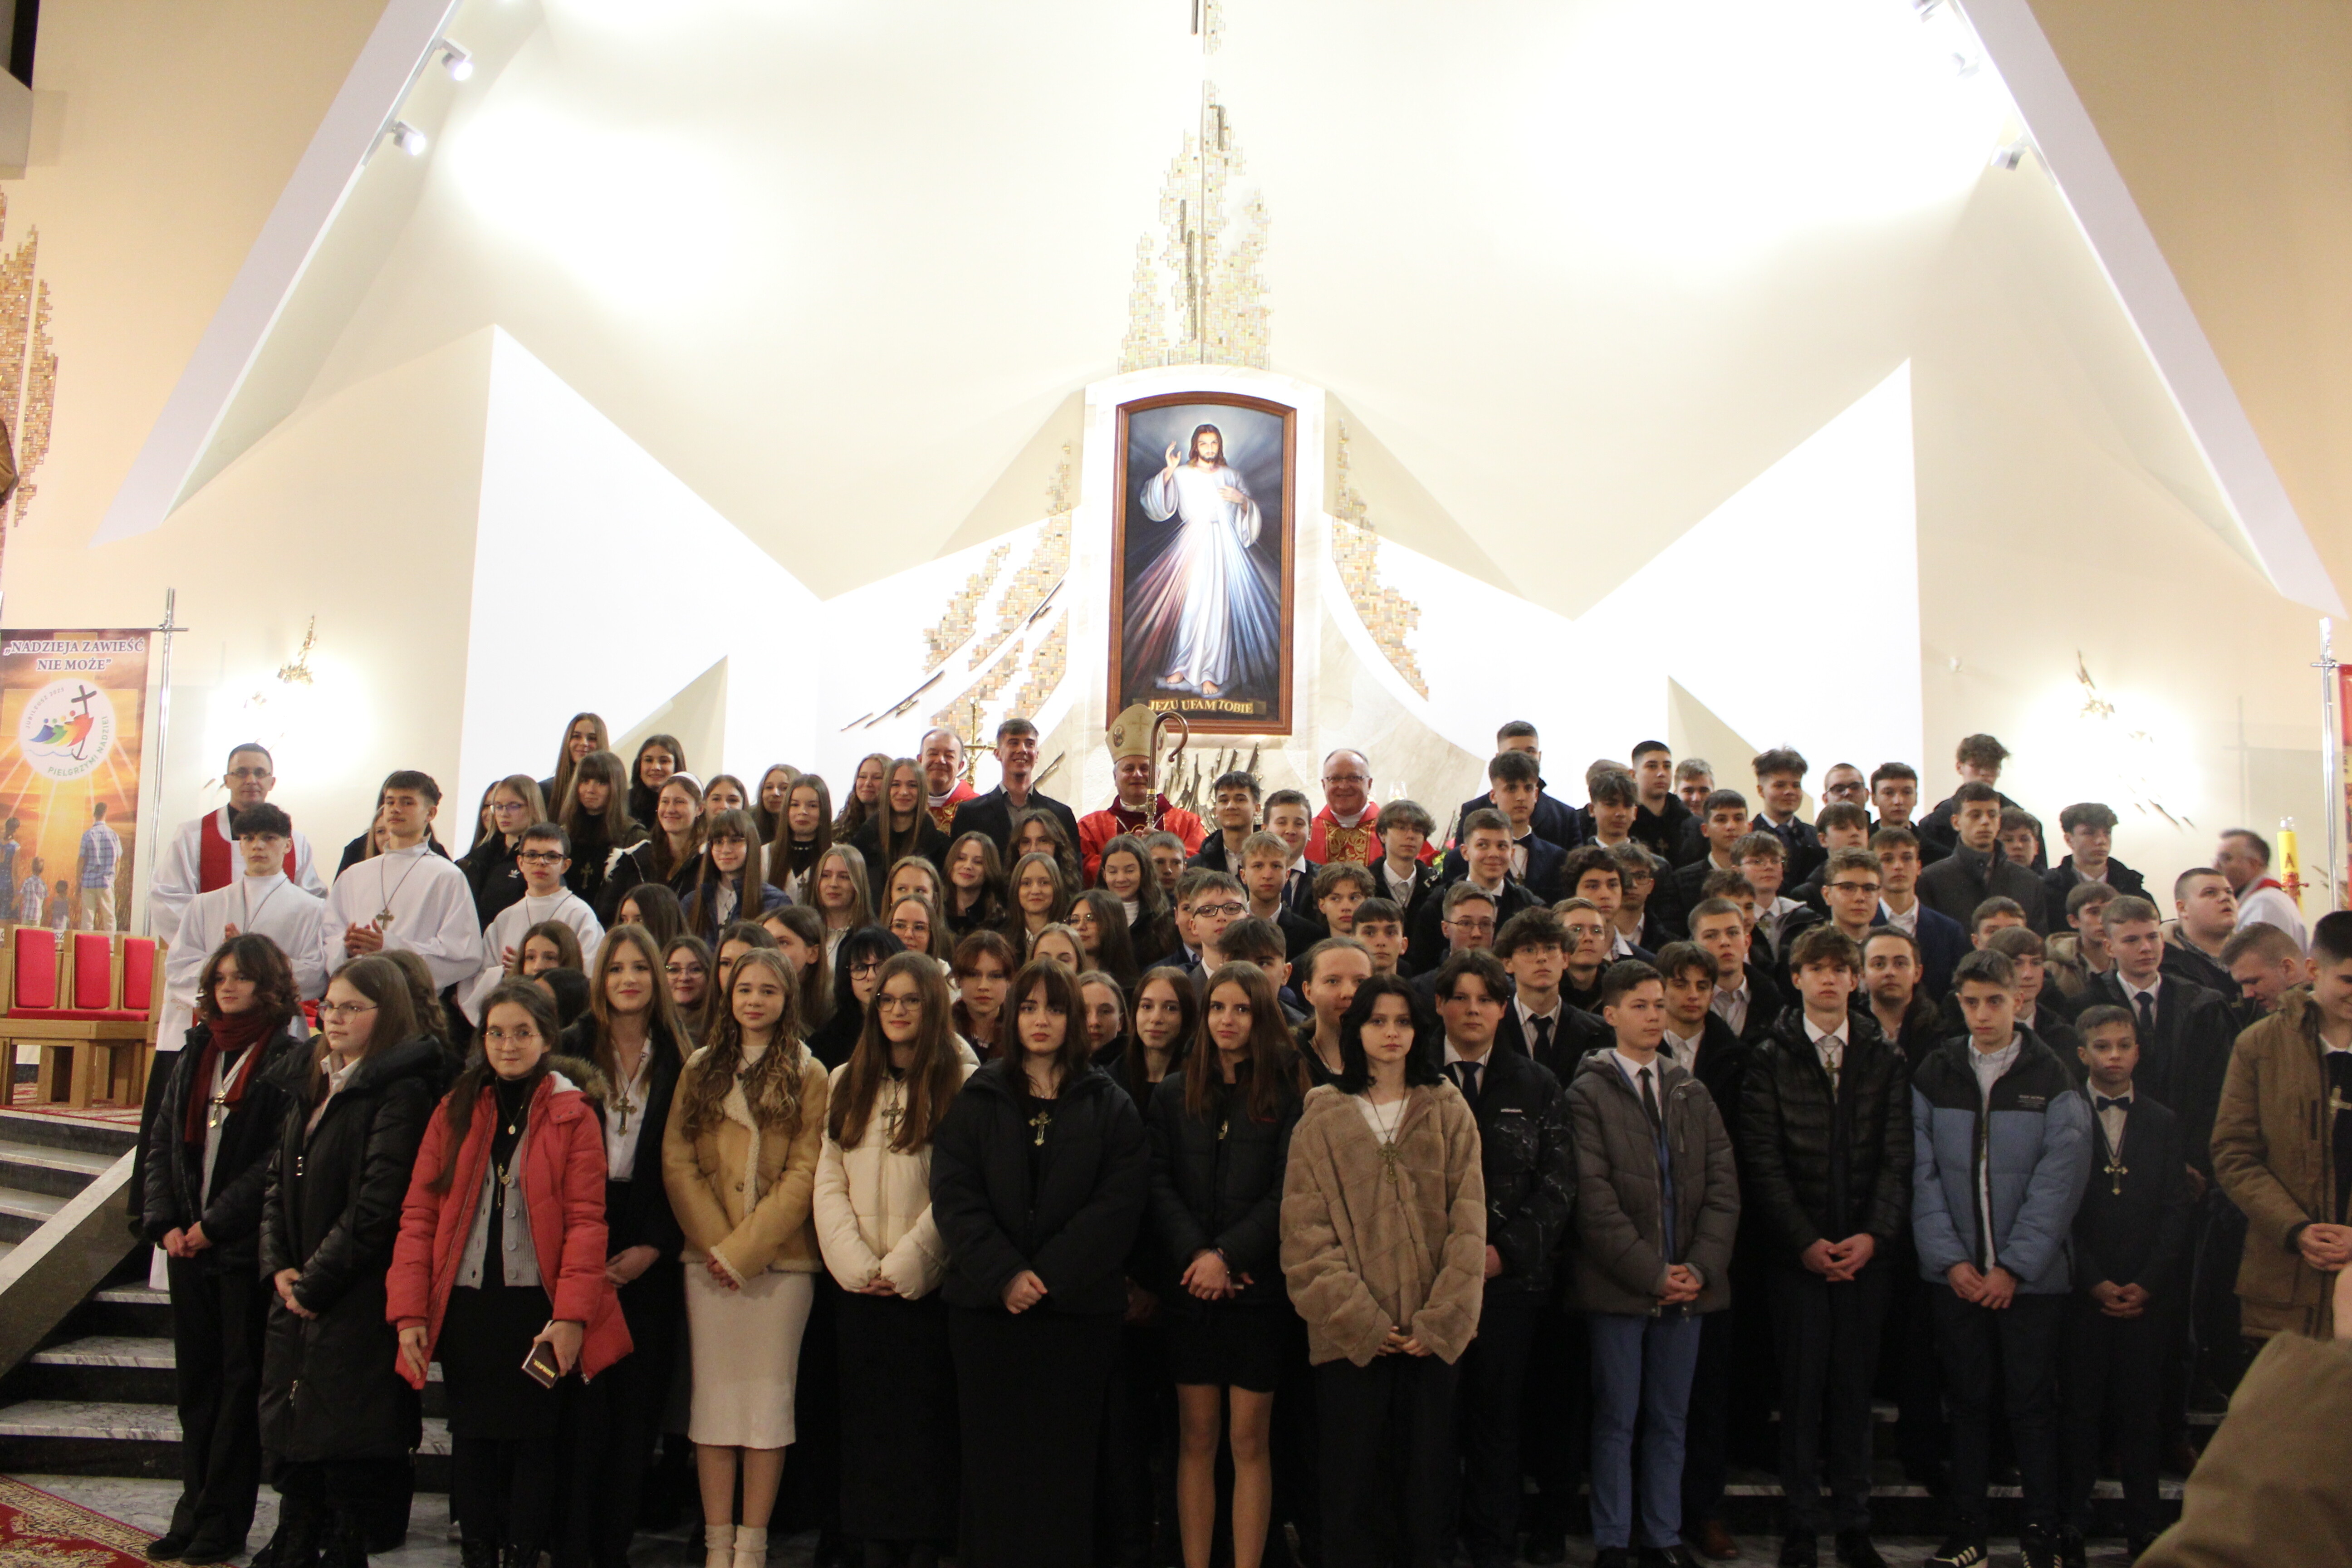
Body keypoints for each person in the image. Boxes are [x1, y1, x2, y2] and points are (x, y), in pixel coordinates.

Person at [389, 980, 629, 1568]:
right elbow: (419, 1216)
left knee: (533, 1444)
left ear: (547, 1038)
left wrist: (571, 1316)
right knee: (472, 1439)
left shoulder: (574, 1112)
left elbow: (586, 1224)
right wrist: (409, 1311)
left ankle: (522, 1553)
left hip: (536, 1309)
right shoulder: (455, 1109)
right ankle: (478, 1552)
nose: (508, 1044)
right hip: (469, 1306)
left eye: (523, 1032)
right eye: (496, 1032)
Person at [928, 956, 1151, 1568]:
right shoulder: (979, 1096)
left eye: (1055, 1008)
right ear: (1011, 1017)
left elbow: (1119, 1203)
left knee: (1064, 1466)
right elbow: (955, 1194)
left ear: (1074, 1018)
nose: (1041, 1020)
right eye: (1028, 1007)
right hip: (988, 1314)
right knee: (993, 1465)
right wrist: (1005, 1274)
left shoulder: (1110, 1104)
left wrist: (1048, 1275)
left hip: (1074, 1316)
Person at [1281, 972, 1485, 1568]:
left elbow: (1469, 1222)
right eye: (1377, 1022)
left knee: (1427, 1488)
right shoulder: (1322, 1116)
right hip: (1351, 1340)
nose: (1391, 1033)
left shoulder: (1448, 1109)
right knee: (1351, 1490)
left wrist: (1441, 1319)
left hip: (1430, 1338)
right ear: (1357, 1030)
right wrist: (1363, 1321)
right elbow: (1305, 1237)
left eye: (1402, 1022)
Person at [252, 956, 446, 1568]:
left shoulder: (401, 1090)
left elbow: (376, 1206)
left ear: (387, 1015)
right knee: (296, 1426)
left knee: (343, 1438)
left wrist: (314, 1283)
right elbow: (277, 1180)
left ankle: (337, 1541)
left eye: (351, 1008)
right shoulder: (317, 1076)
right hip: (300, 1286)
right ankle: (296, 1533)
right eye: (329, 1007)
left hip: (355, 1293)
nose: (334, 1019)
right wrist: (278, 1265)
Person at [1909, 948, 2092, 1568]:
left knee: (2033, 1406)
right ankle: (1968, 1533)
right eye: (1971, 1002)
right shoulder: (1937, 1070)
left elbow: (2061, 1180)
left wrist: (2014, 1267)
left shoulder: (2053, 1074)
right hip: (1958, 1278)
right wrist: (1953, 1262)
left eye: (1995, 1001)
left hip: (2031, 1282)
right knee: (1966, 1404)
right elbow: (1922, 1174)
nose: (1983, 1014)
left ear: (2019, 998)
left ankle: (2041, 1534)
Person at [1740, 927, 1912, 1568]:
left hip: (1866, 1253)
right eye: (1818, 968)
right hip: (1797, 1257)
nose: (1831, 979)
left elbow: (1899, 1156)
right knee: (1802, 1391)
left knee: (1853, 1392)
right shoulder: (1770, 1054)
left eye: (1842, 969)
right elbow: (1762, 1160)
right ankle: (1802, 1524)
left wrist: (1873, 1236)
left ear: (1855, 979)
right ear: (1798, 978)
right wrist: (1803, 1241)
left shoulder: (1883, 1055)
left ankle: (1854, 1523)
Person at [139, 936, 310, 1565]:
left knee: (238, 1390)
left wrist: (214, 1225)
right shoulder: (198, 1048)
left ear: (268, 986)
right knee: (197, 1389)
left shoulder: (288, 1059)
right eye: (220, 978)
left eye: (241, 977)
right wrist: (165, 1221)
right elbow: (162, 1139)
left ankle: (222, 1522)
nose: (228, 987)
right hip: (187, 1246)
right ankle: (191, 1512)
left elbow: (274, 1163)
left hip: (240, 1250)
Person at [662, 947, 831, 1568]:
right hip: (708, 1264)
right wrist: (720, 1247)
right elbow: (678, 1161)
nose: (755, 1000)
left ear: (788, 999)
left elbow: (806, 1170)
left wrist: (747, 1251)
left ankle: (752, 1546)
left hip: (780, 1267)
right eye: (745, 989)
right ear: (728, 997)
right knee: (713, 1406)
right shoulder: (700, 1066)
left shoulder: (810, 1072)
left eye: (768, 990)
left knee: (767, 1408)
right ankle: (716, 1544)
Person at [1568, 960, 1740, 1568]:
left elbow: (1723, 1187)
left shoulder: (1690, 1090)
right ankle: (1614, 1538)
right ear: (1611, 1014)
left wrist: (1699, 1267)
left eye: (1658, 1005)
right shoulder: (1587, 1093)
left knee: (1671, 1416)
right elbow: (1594, 1201)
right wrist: (1652, 1273)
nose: (1653, 1016)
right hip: (1621, 1287)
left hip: (1688, 1286)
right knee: (1617, 1417)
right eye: (1639, 1005)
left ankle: (1663, 1534)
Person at [814, 951, 976, 1568]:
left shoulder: (964, 1078)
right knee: (868, 1430)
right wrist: (855, 1263)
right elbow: (829, 1178)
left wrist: (909, 1266)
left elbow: (959, 1188)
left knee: (923, 1431)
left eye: (911, 999)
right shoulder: (845, 1078)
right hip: (859, 1287)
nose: (898, 1010)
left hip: (927, 1289)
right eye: (888, 999)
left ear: (933, 1005)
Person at [1148, 960, 1308, 1568]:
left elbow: (1289, 1189)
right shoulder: (1172, 1093)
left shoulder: (1289, 1091)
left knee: (1249, 1440)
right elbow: (1158, 1183)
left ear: (1262, 1016)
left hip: (1257, 1291)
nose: (1228, 1020)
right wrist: (1200, 1257)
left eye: (1242, 1009)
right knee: (1196, 1438)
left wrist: (1230, 1256)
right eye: (1218, 1007)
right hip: (1191, 1289)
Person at [1429, 950, 1573, 1568]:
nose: (1473, 1011)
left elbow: (1558, 1184)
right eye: (1460, 998)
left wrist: (1504, 1254)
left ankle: (1493, 1545)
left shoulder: (1536, 1083)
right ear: (1440, 1005)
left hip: (1509, 1287)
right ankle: (1433, 1543)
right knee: (1433, 1427)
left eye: (1486, 1000)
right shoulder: (1413, 1078)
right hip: (1429, 1286)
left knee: (1497, 1423)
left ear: (1502, 1008)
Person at [557, 925, 689, 1568]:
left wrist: (654, 1247)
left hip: (649, 1240)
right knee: (580, 1412)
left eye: (640, 968)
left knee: (635, 1412)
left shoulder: (681, 1057)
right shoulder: (568, 1049)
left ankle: (612, 1547)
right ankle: (570, 1545)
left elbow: (690, 1164)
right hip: (576, 1234)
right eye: (616, 969)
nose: (628, 980)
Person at [2058, 1004, 2194, 1564]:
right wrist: (2092, 1281)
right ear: (2082, 1053)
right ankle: (2071, 1522)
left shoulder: (2164, 1122)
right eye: (2102, 1046)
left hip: (2146, 1294)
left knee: (2142, 1413)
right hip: (2082, 1292)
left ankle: (2145, 1528)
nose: (2113, 1056)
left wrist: (2147, 1283)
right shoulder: (2065, 1115)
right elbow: (2057, 1208)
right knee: (2080, 1411)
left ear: (2138, 1051)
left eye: (2123, 1045)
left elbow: (2176, 1211)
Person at [2211, 907, 2352, 1342]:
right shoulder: (2260, 1045)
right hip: (2286, 1272)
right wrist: (2296, 1229)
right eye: (2348, 980)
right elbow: (2234, 1153)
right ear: (2314, 970)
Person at [157, 804, 327, 1068]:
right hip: (218, 1030)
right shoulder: (205, 905)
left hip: (280, 1030)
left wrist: (250, 962)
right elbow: (179, 968)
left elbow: (317, 974)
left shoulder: (313, 909)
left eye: (269, 838)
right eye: (249, 838)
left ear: (288, 845)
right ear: (241, 846)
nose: (258, 846)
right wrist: (226, 963)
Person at [321, 772, 485, 1032]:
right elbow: (328, 934)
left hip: (412, 1007)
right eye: (390, 802)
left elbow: (463, 954)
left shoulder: (447, 877)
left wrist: (388, 947)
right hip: (355, 1002)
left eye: (407, 802)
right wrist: (347, 946)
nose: (396, 809)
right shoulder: (355, 875)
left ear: (430, 813)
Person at [149, 743, 328, 947]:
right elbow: (168, 899)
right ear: (227, 780)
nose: (251, 780)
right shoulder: (193, 835)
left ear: (272, 782)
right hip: (214, 955)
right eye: (242, 772)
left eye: (260, 773)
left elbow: (314, 902)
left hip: (279, 956)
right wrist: (221, 943)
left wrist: (270, 948)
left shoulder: (296, 842)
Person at [464, 822, 605, 1024]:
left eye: (552, 856)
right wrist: (510, 972)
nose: (541, 863)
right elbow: (480, 979)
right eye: (532, 855)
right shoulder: (506, 918)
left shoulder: (580, 914)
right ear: (520, 863)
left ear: (565, 865)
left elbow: (591, 977)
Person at [1079, 703, 1208, 881]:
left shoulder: (1188, 824)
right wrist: (1132, 863)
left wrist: (1163, 852)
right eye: (1129, 768)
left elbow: (1196, 866)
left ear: (1158, 776)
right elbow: (1084, 867)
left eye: (1145, 768)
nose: (1137, 774)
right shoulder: (1091, 827)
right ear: (1115, 776)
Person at [1409, 809, 1532, 974]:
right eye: (1483, 845)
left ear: (1512, 853)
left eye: (1502, 846)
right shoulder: (1437, 905)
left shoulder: (1528, 907)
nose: (1494, 854)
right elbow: (1422, 971)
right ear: (1465, 852)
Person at [948, 716, 1081, 857]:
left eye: (1029, 744)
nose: (1022, 750)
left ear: (1037, 755)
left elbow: (1072, 867)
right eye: (1014, 743)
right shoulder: (971, 814)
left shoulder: (1061, 815)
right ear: (998, 754)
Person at [1453, 723, 1582, 850]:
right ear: (1498, 757)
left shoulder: (1565, 817)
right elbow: (1460, 860)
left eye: (1530, 752)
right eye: (1514, 752)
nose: (1523, 758)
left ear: (1539, 756)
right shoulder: (1473, 811)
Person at [560, 750, 655, 923]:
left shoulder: (634, 839)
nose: (590, 790)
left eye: (601, 783)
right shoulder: (563, 836)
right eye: (585, 781)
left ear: (616, 787)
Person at [681, 809, 787, 944]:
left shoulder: (775, 902)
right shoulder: (691, 903)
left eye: (735, 841)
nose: (726, 850)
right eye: (718, 842)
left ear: (751, 844)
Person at [461, 776, 551, 931]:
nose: (504, 813)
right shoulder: (481, 855)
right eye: (498, 806)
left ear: (533, 807)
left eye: (514, 806)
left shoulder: (542, 859)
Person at [808, 927, 904, 1070]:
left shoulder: (916, 1029)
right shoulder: (825, 1044)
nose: (871, 976)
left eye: (881, 965)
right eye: (860, 968)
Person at [851, 758, 950, 892]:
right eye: (896, 785)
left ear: (922, 791)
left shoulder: (940, 846)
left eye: (912, 786)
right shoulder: (864, 839)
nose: (904, 792)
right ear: (887, 789)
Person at [2214, 828, 2308, 950]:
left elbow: (2258, 958)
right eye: (2217, 860)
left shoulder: (2265, 904)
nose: (2216, 866)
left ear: (2253, 864)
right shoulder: (2260, 899)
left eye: (2226, 859)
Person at [1751, 747, 1825, 886]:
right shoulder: (1747, 837)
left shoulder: (1816, 839)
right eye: (1780, 786)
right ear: (1761, 790)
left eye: (1796, 785)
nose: (1789, 792)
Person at [1100, 833, 1178, 960]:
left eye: (1130, 871)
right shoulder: (1093, 913)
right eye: (1113, 872)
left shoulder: (1167, 915)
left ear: (1144, 871)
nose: (1121, 879)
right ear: (1104, 874)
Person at [1367, 799, 1442, 927]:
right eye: (1402, 828)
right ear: (1382, 835)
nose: (1410, 836)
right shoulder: (1366, 884)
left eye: (1417, 830)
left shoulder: (1436, 886)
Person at [764, 774, 833, 906]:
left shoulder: (836, 856)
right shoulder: (764, 854)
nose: (803, 812)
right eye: (795, 805)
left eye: (812, 806)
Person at [949, 930, 1016, 1059]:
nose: (983, 986)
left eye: (995, 976)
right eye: (973, 975)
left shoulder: (1019, 1033)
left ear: (1009, 981)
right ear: (958, 979)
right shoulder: (942, 1031)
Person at [1631, 740, 1696, 867]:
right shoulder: (1625, 821)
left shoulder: (1690, 824)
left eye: (1667, 767)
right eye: (1652, 767)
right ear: (1633, 775)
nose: (1661, 773)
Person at [2222, 921, 2310, 1014]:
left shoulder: (2318, 1018)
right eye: (2242, 985)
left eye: (2253, 981)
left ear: (2287, 968)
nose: (2247, 995)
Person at [939, 830, 1009, 939]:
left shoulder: (1001, 920)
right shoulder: (935, 909)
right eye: (961, 858)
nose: (968, 866)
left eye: (978, 862)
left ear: (990, 869)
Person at [1004, 849, 1074, 954]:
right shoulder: (1003, 939)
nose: (1035, 891)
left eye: (1044, 883)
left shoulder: (1071, 936)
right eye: (1026, 883)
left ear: (1057, 887)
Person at [1070, 887, 1142, 990]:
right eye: (1075, 920)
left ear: (1113, 924)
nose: (1080, 927)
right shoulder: (1063, 983)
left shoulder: (1131, 989)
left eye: (1091, 919)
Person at [537, 712, 608, 816]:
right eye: (576, 737)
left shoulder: (614, 790)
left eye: (592, 738)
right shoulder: (545, 791)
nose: (584, 743)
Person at [915, 728, 980, 835]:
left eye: (949, 756)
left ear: (960, 766)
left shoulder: (977, 808)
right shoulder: (907, 802)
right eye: (933, 754)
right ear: (920, 761)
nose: (940, 760)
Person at [648, 775, 708, 890]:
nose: (670, 810)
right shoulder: (643, 856)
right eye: (665, 802)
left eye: (680, 802)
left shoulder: (708, 858)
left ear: (700, 809)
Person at [75, 796, 124, 931]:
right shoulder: (113, 835)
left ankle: (86, 942)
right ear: (105, 813)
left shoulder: (87, 835)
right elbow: (118, 860)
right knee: (109, 917)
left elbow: (81, 860)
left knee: (88, 918)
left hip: (88, 881)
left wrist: (78, 880)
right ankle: (111, 943)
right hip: (106, 881)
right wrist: (114, 878)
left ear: (94, 814)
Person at [627, 735, 686, 829]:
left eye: (664, 761)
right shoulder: (622, 803)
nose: (655, 767)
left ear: (677, 766)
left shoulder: (688, 805)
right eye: (649, 760)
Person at [833, 754, 890, 841]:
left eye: (877, 778)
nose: (867, 783)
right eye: (863, 777)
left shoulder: (895, 828)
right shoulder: (840, 828)